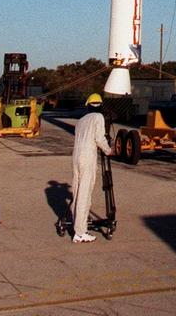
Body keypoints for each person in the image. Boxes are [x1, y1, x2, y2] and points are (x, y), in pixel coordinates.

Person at [71, 93, 111, 243]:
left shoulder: (81, 120)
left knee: (77, 190)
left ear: (88, 105)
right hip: (87, 156)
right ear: (100, 105)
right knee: (84, 193)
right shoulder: (98, 118)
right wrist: (108, 150)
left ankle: (77, 223)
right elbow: (99, 138)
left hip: (76, 156)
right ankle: (80, 232)